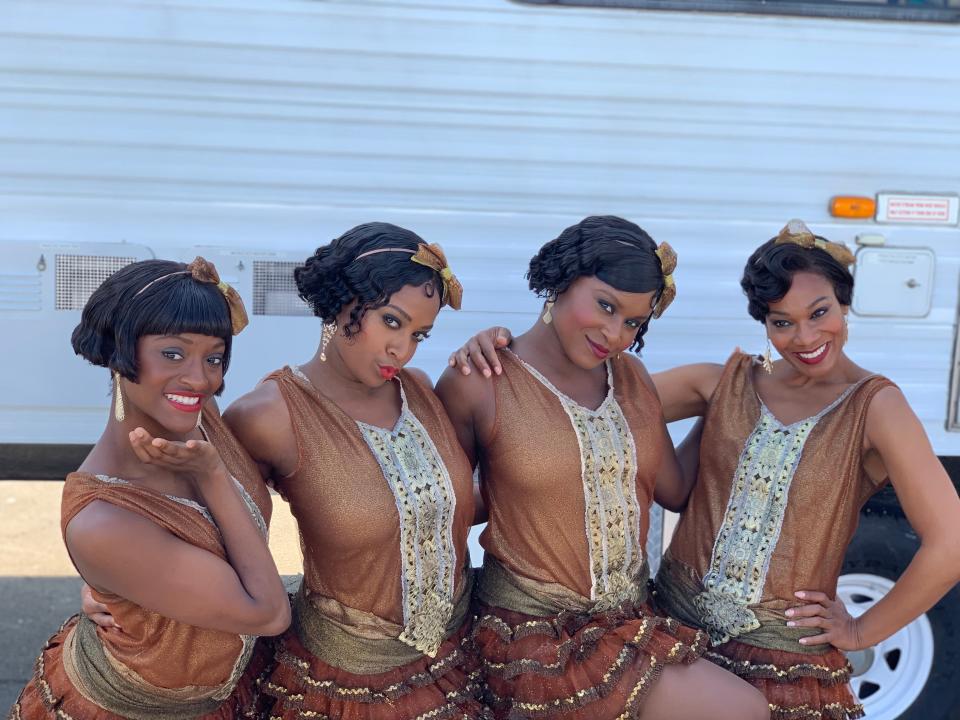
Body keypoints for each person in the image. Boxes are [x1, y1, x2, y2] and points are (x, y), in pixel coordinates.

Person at [451, 220, 960, 720]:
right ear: (764, 322)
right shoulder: (722, 384)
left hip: (780, 659)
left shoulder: (876, 407)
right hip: (669, 635)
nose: (805, 337)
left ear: (845, 304)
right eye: (782, 322)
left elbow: (951, 542)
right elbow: (558, 410)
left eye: (820, 312)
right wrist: (502, 349)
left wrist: (860, 632)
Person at [436, 216, 770, 720]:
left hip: (629, 621)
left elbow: (673, 490)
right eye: (606, 306)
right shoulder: (480, 379)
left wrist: (721, 407)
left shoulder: (631, 377)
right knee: (741, 710)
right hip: (531, 631)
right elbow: (450, 512)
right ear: (561, 282)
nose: (615, 334)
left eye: (634, 322)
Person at [222, 223, 490, 720]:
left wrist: (504, 349)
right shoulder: (270, 415)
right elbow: (205, 523)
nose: (403, 350)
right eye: (392, 322)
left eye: (419, 334)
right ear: (341, 301)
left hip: (456, 664)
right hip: (343, 684)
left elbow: (444, 507)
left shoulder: (421, 391)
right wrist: (121, 582)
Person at [10, 258, 290, 720]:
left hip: (230, 685)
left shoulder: (203, 418)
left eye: (214, 357)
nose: (201, 379)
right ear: (120, 350)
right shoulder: (102, 521)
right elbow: (267, 614)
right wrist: (212, 478)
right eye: (173, 354)